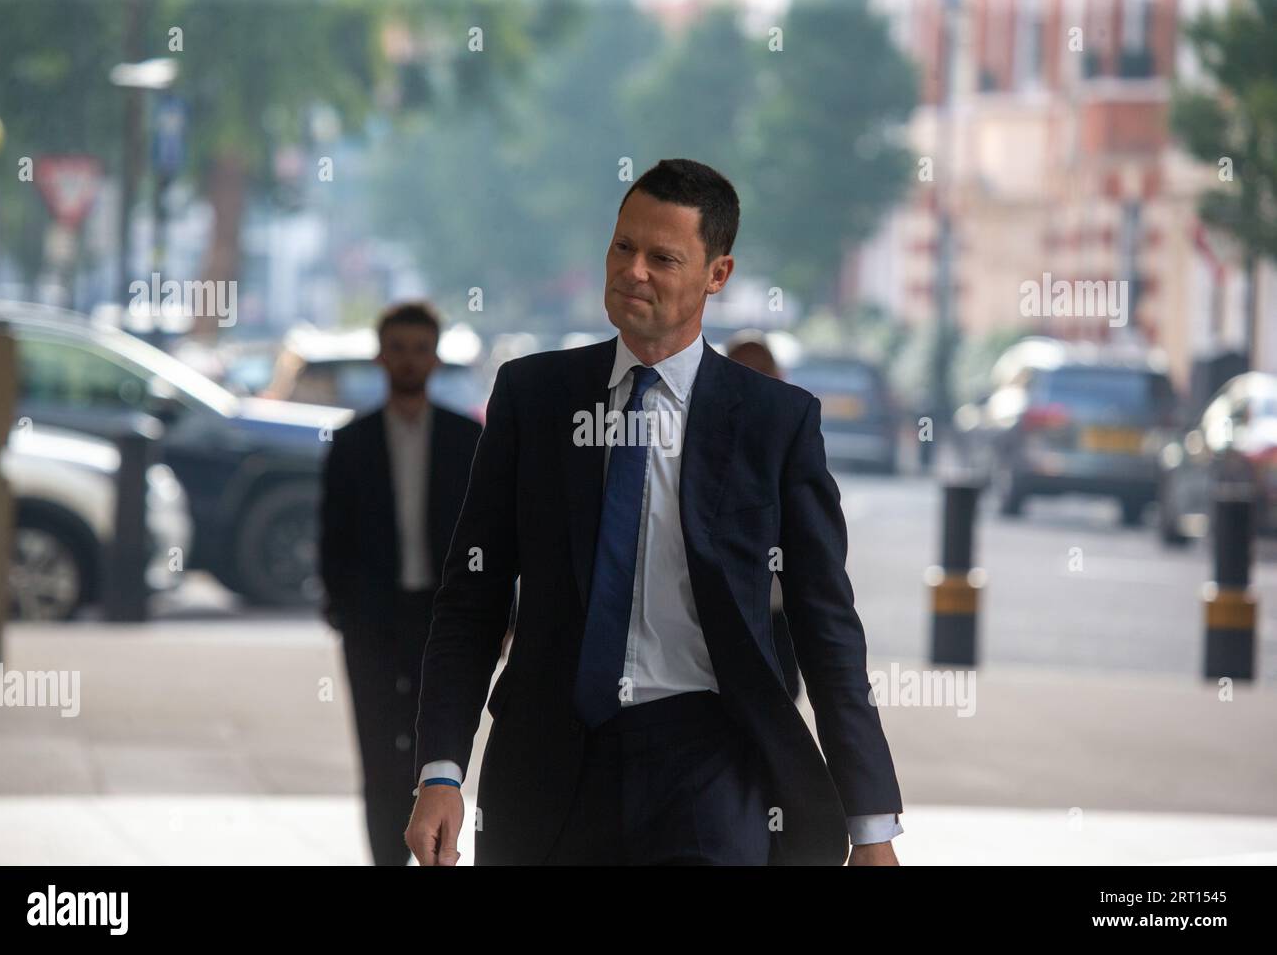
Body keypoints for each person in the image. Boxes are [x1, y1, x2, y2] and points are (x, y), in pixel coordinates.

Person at [407, 159, 903, 866]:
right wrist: (441, 772)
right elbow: (471, 601)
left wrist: (871, 827)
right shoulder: (534, 398)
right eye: (622, 246)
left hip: (710, 767)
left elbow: (827, 625)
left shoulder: (774, 423)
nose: (632, 270)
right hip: (548, 764)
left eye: (662, 257)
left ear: (717, 275)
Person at [319, 301, 482, 865]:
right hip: (373, 619)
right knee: (377, 750)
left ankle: (435, 852)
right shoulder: (352, 441)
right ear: (380, 356)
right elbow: (331, 536)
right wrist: (342, 610)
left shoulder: (466, 439)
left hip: (445, 620)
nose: (409, 360)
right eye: (398, 349)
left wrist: (498, 615)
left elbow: (488, 535)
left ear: (434, 357)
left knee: (436, 750)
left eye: (419, 349)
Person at [724, 330, 802, 703]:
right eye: (742, 371)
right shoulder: (696, 437)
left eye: (759, 372)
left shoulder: (791, 440)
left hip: (771, 611)